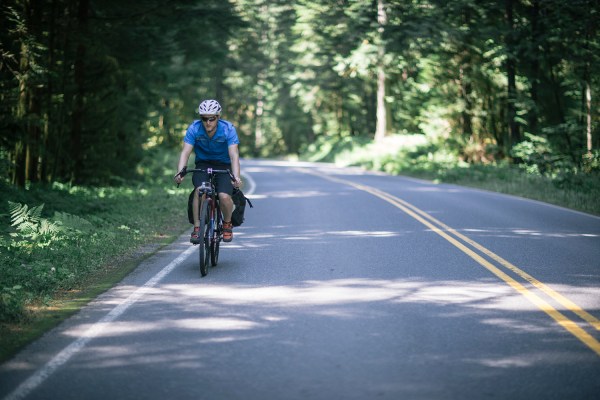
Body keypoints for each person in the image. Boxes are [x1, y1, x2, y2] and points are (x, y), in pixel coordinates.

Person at [174, 99, 242, 243]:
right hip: (203, 164)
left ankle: (227, 224)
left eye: (212, 119)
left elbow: (234, 155)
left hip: (224, 165)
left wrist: (236, 176)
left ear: (218, 117)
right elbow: (185, 152)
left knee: (224, 196)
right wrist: (180, 172)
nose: (208, 122)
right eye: (204, 119)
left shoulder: (228, 129)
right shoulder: (194, 128)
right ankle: (197, 228)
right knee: (200, 190)